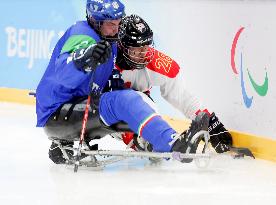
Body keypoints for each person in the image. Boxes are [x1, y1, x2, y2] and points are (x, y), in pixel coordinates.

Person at [36, 1, 210, 165]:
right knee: (124, 101)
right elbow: (61, 74)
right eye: (112, 24)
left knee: (130, 100)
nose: (117, 29)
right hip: (58, 114)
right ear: (96, 21)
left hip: (74, 110)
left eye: (119, 22)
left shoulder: (110, 38)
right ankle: (174, 144)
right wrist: (84, 58)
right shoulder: (83, 36)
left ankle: (148, 139)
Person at [113, 14, 233, 154]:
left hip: (140, 102)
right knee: (124, 105)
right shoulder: (107, 62)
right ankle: (143, 140)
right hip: (111, 106)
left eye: (146, 45)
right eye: (138, 48)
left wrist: (210, 121)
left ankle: (156, 140)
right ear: (122, 46)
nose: (144, 53)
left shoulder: (157, 62)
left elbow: (180, 95)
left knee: (143, 104)